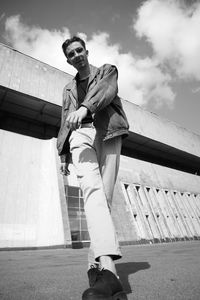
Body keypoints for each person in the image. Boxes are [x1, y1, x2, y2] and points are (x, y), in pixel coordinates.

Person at [57, 35, 129, 300]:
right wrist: (63, 152)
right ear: (67, 59)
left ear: (87, 51)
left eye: (79, 50)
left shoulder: (107, 71)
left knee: (105, 200)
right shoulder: (68, 88)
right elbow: (65, 118)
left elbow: (105, 93)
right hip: (79, 137)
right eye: (71, 53)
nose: (76, 55)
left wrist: (85, 108)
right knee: (92, 196)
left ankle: (94, 268)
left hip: (107, 132)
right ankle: (109, 273)